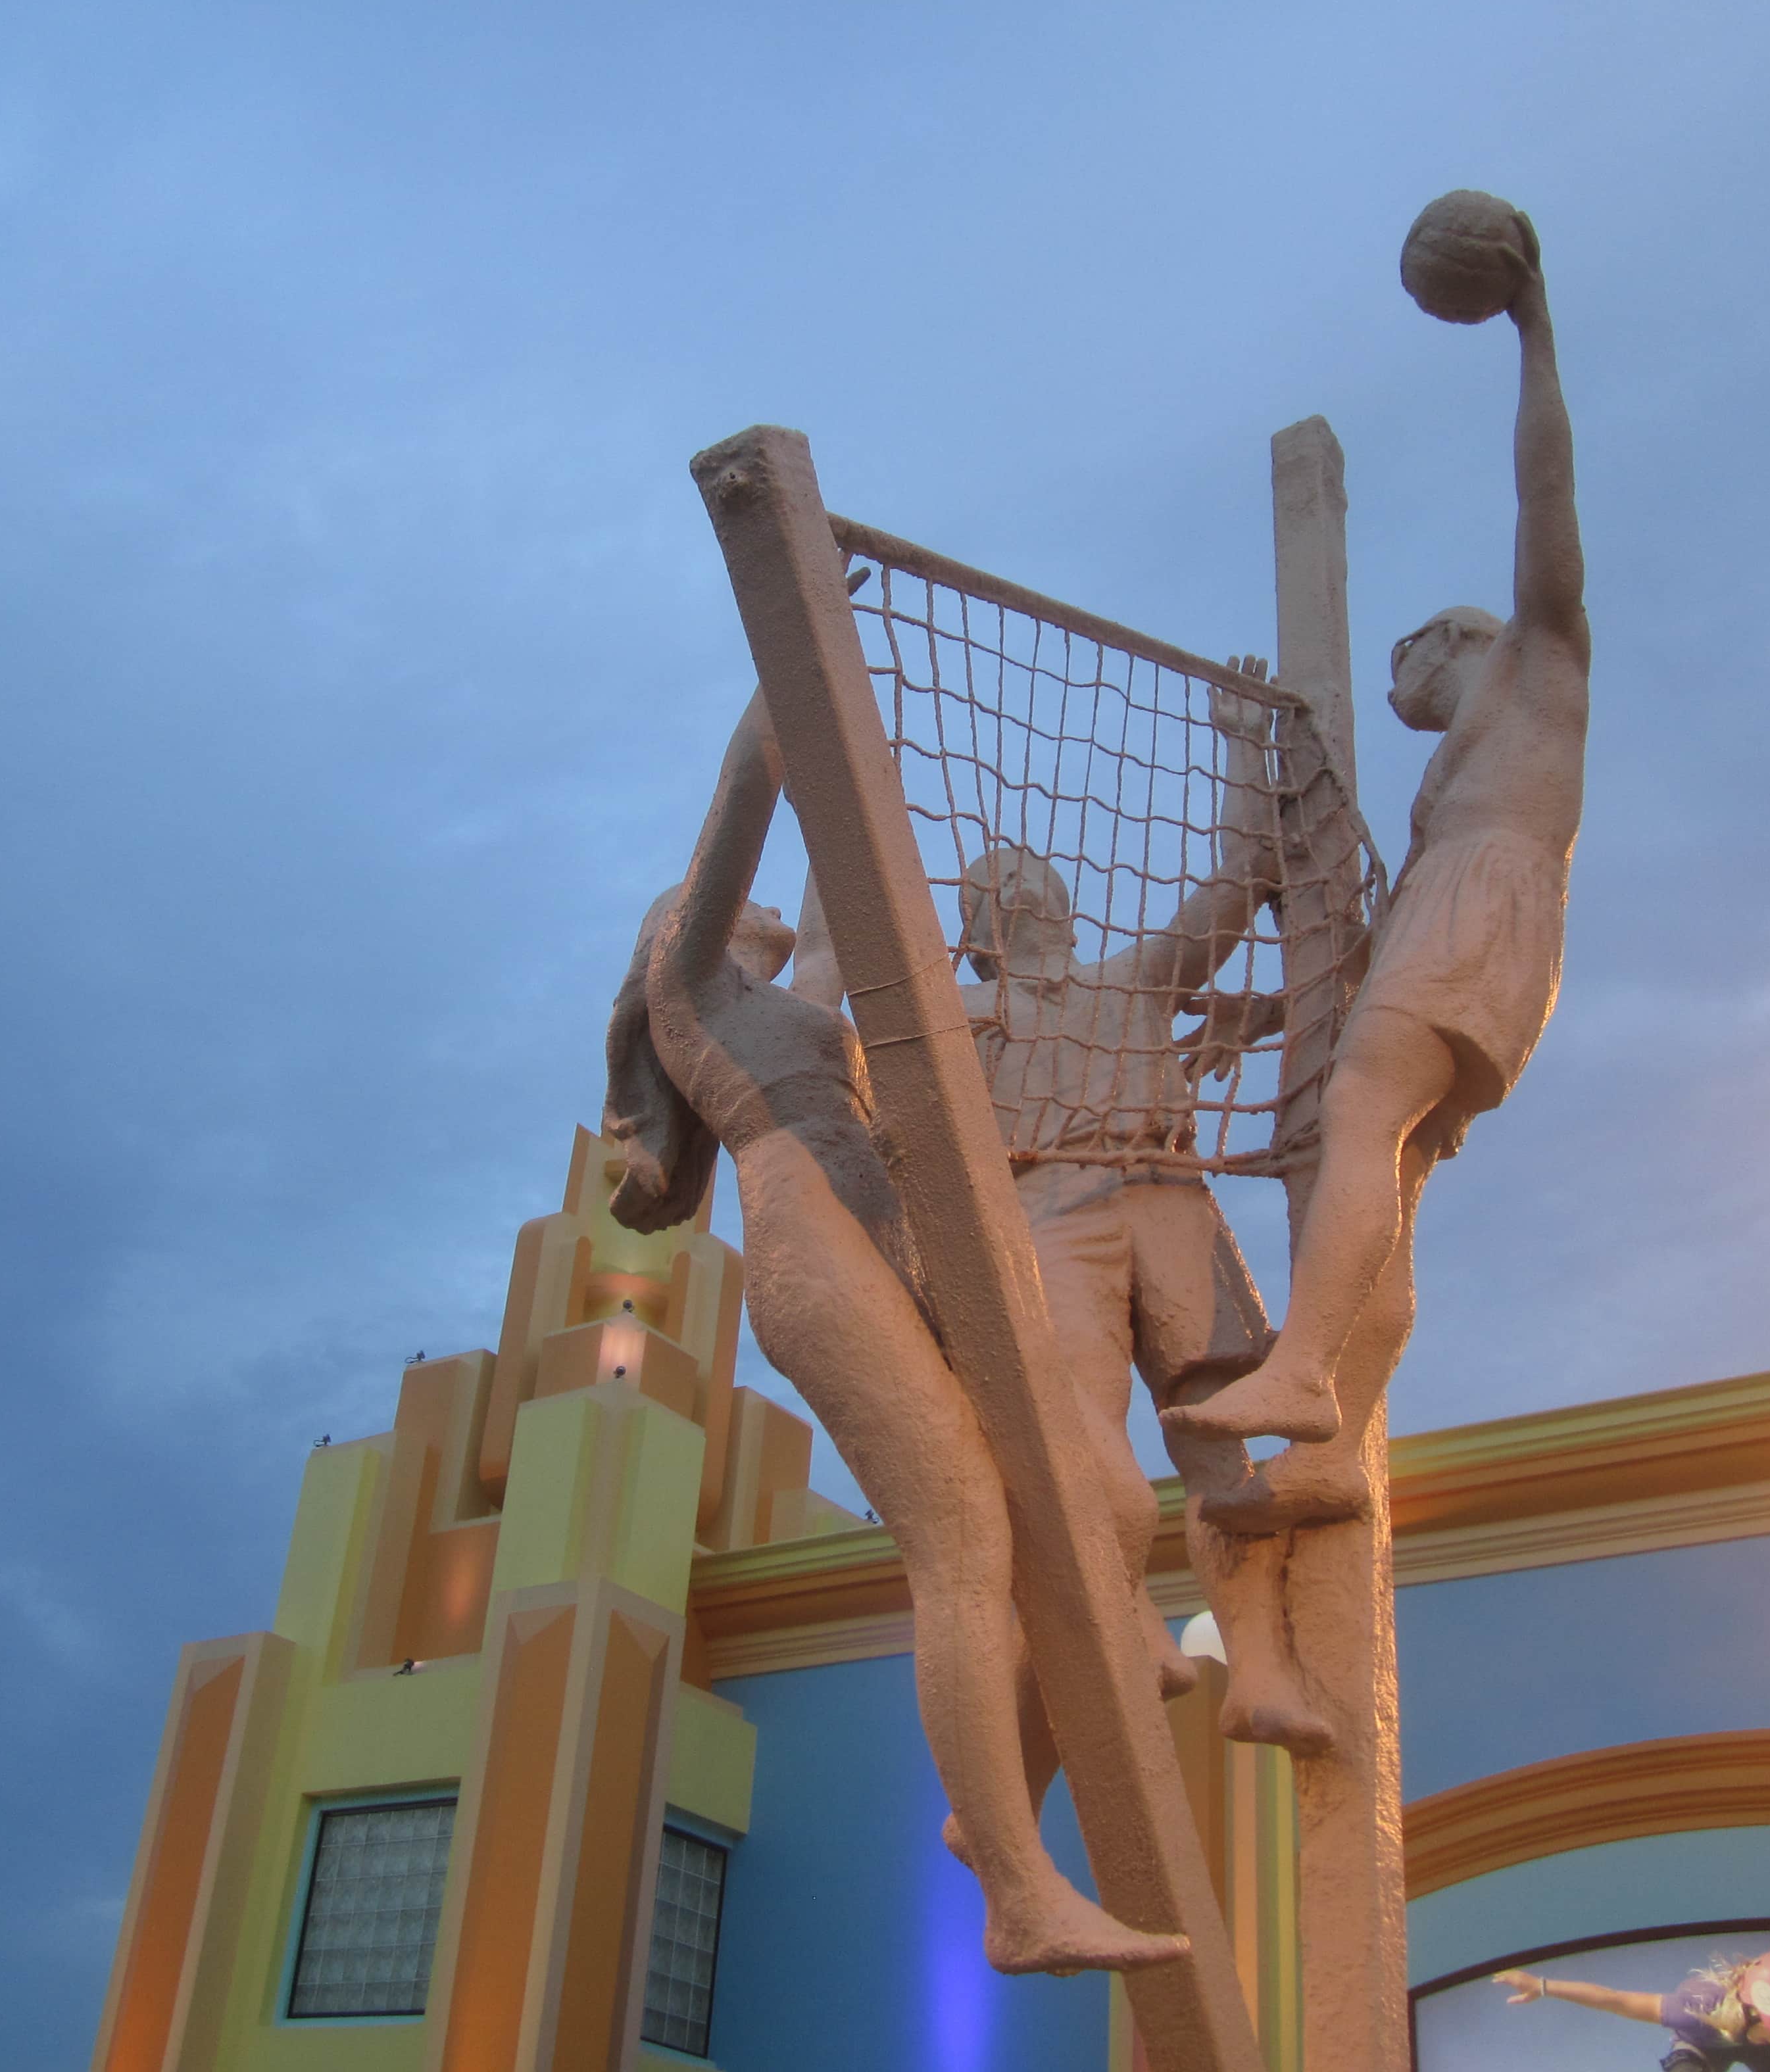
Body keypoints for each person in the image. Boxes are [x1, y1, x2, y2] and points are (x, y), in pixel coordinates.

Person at [604, 692, 1187, 1978]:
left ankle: (996, 1816)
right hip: (818, 1253)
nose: (751, 912)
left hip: (906, 1242)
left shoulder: (798, 998)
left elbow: (829, 894)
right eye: (717, 905)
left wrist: (849, 761)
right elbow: (743, 808)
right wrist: (785, 687)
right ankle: (1021, 1897)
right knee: (966, 1542)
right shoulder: (692, 991)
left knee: (1104, 1496)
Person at [795, 656, 1331, 1751]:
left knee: (1224, 1451)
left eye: (1032, 872)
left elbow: (1235, 889)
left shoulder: (1131, 983)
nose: (1020, 884)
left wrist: (1237, 739)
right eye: (995, 884)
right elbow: (847, 983)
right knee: (1077, 1442)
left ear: (1066, 902)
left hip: (1168, 1201)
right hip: (1047, 1225)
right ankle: (1127, 1617)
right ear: (979, 928)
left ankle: (1262, 1672)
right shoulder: (956, 1016)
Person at [1167, 214, 1588, 1535]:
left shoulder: (1540, 659)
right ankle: (1337, 1445)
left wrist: (1532, 328)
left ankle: (1302, 1367)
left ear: (1457, 637)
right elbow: (1377, 966)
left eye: (1408, 658)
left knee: (1359, 1115)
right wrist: (1268, 1015)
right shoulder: (1443, 792)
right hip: (1463, 922)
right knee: (1384, 1169)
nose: (1397, 680)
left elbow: (1546, 493)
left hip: (1494, 900)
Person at [1492, 1951, 1770, 2072]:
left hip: (1742, 2041)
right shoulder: (1696, 2006)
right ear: (1755, 2010)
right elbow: (1616, 2000)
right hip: (1700, 2050)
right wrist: (1542, 1985)